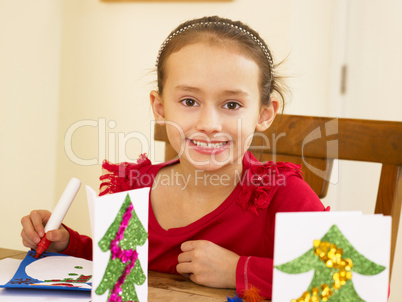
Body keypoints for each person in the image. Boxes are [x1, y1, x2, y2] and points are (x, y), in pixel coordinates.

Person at [20, 15, 328, 299]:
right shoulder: (131, 189)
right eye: (189, 101)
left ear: (264, 113)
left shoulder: (282, 195)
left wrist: (239, 271)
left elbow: (350, 284)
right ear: (160, 107)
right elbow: (119, 269)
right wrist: (67, 244)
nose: (209, 124)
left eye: (232, 105)